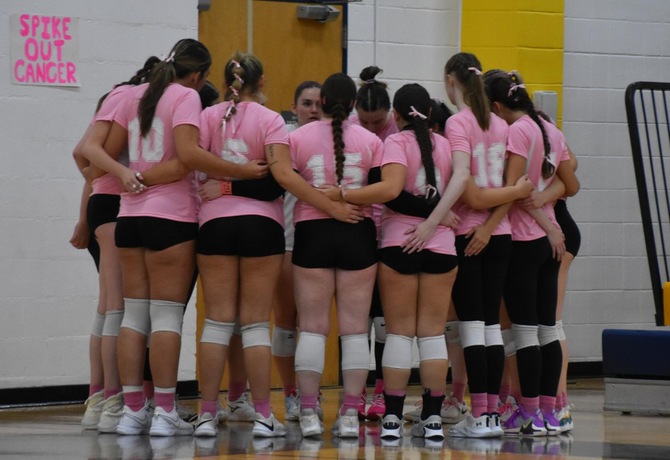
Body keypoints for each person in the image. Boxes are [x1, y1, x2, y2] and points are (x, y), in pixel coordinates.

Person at [83, 38, 266, 437]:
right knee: (165, 316)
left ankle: (133, 411)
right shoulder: (185, 96)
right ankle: (164, 411)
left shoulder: (132, 95)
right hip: (171, 216)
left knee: (132, 315)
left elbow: (91, 152)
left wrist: (127, 174)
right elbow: (187, 158)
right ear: (198, 75)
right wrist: (240, 173)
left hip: (129, 217)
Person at [283, 73, 389, 439]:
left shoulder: (295, 137)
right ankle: (348, 414)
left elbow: (280, 181)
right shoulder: (372, 140)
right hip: (358, 231)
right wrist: (345, 197)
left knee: (312, 327)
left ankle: (310, 413)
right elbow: (381, 190)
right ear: (356, 104)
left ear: (323, 102)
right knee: (355, 330)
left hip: (312, 233)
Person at [192, 51, 292, 439]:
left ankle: (204, 414)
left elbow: (194, 167)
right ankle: (265, 416)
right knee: (253, 325)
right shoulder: (271, 119)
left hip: (215, 224)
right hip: (261, 226)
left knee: (217, 323)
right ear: (261, 81)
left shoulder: (205, 117)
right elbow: (275, 181)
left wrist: (226, 186)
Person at [483, 70, 579, 436]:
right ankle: (549, 413)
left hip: (525, 240)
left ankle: (530, 414)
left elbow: (516, 190)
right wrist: (551, 220)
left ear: (496, 105)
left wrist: (490, 226)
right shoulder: (549, 128)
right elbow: (569, 184)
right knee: (548, 329)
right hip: (548, 241)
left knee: (525, 332)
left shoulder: (518, 130)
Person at [438, 53, 527, 439]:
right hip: (500, 233)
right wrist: (496, 218)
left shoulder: (458, 122)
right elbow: (514, 190)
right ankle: (489, 414)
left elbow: (470, 193)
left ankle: (480, 415)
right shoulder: (502, 125)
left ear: (450, 81)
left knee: (473, 326)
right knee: (491, 325)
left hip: (470, 235)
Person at [73, 57, 160, 433]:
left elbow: (88, 165)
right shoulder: (129, 100)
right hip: (115, 206)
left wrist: (84, 215)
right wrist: (116, 172)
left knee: (108, 308)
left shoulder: (120, 96)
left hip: (103, 204)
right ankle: (111, 401)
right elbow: (84, 153)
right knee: (119, 310)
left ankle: (99, 398)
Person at [371, 83, 460, 442]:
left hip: (398, 244)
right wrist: (437, 218)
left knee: (398, 333)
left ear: (395, 115)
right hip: (441, 246)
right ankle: (434, 419)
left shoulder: (394, 142)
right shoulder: (448, 146)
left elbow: (392, 195)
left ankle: (392, 420)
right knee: (433, 334)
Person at [272, 80, 323, 422]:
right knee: (287, 322)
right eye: (306, 103)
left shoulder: (339, 139)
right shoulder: (283, 141)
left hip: (325, 245)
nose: (313, 109)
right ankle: (291, 392)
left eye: (319, 103)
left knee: (316, 326)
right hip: (288, 242)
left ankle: (312, 394)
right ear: (294, 106)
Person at [350, 65, 398, 420]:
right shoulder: (348, 132)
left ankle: (381, 390)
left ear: (390, 114)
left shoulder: (399, 136)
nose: (370, 129)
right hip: (358, 229)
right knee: (357, 319)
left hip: (390, 233)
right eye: (364, 122)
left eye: (377, 122)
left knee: (383, 319)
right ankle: (357, 391)